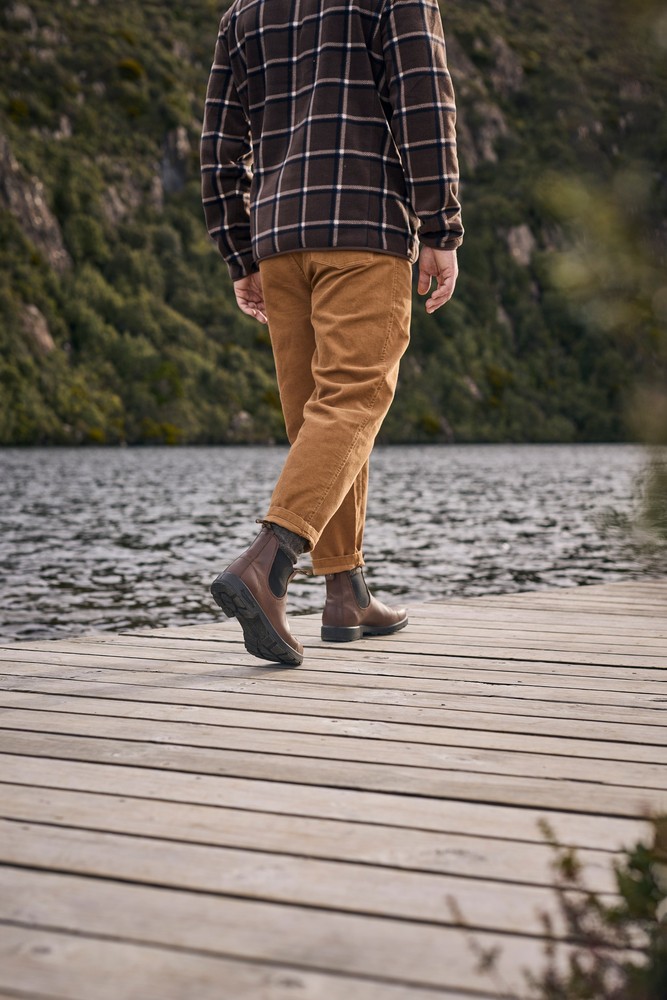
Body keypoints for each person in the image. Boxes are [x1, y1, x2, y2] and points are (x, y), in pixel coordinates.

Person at [201, 0, 463, 666]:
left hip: (279, 239)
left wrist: (240, 253)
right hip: (362, 225)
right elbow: (424, 102)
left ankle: (345, 591)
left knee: (320, 417)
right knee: (351, 399)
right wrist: (440, 229)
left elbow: (217, 149)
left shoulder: (244, 12)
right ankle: (268, 562)